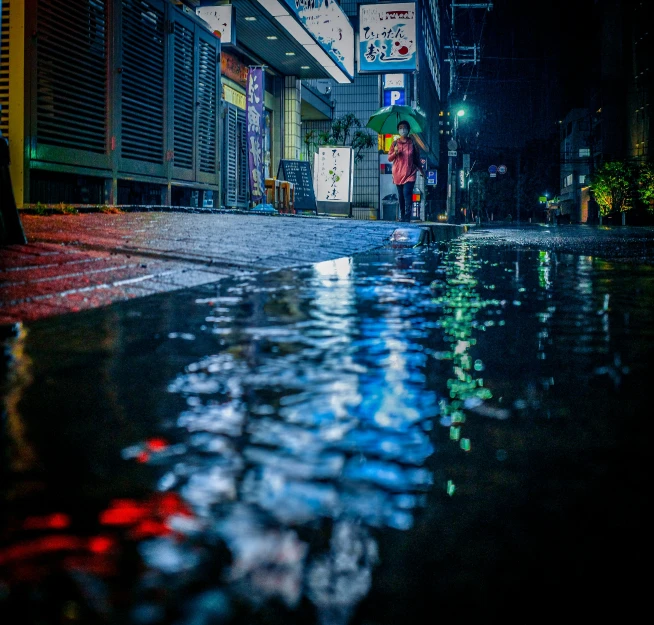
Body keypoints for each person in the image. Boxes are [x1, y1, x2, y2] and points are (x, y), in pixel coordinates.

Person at [387, 120, 425, 223]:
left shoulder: (413, 143)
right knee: (401, 196)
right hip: (398, 174)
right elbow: (389, 158)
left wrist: (422, 171)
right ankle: (402, 215)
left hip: (410, 173)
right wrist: (395, 153)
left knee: (407, 193)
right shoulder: (395, 143)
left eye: (404, 128)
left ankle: (407, 216)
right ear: (398, 130)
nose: (402, 129)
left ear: (408, 130)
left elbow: (417, 158)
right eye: (400, 128)